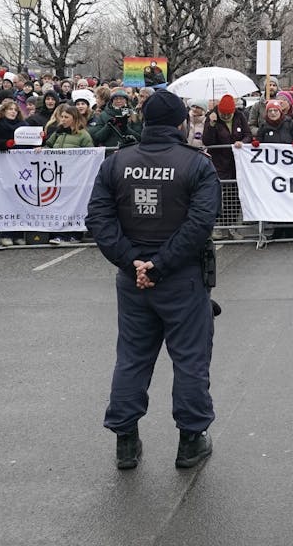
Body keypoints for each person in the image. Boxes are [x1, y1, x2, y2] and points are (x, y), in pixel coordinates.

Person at [83, 89, 221, 471]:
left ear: (144, 121)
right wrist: (156, 266)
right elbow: (200, 225)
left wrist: (133, 264)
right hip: (181, 277)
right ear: (180, 124)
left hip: (135, 279)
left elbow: (98, 219)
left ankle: (126, 440)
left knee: (132, 358)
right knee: (191, 359)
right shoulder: (196, 164)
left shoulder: (117, 162)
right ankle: (190, 440)